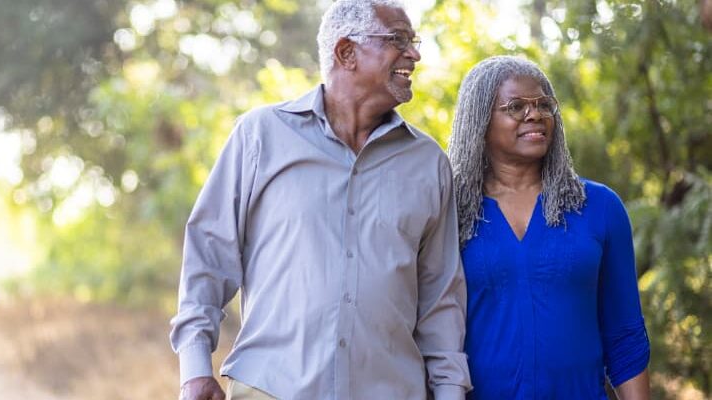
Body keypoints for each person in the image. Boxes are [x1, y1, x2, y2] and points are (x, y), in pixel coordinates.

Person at [170, 0, 471, 399]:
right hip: (271, 388)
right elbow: (208, 257)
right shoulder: (260, 136)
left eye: (412, 41)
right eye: (398, 40)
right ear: (346, 52)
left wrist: (450, 392)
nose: (414, 54)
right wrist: (194, 369)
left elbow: (440, 299)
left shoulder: (428, 162)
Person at [447, 55, 651, 399]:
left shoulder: (599, 207)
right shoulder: (450, 211)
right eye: (515, 106)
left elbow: (625, 337)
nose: (535, 114)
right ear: (480, 120)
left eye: (544, 104)